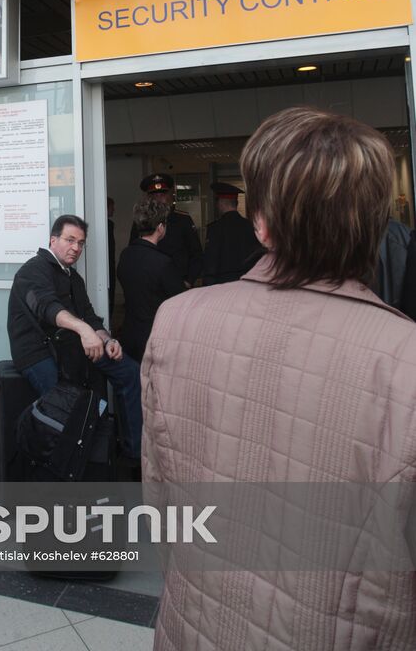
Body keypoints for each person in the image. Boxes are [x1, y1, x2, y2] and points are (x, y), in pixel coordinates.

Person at [143, 107, 416, 650]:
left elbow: (161, 502)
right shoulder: (403, 358)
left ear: (261, 224)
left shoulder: (177, 320)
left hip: (192, 624)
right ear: (375, 224)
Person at [7, 214, 142, 460]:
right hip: (39, 353)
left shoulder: (73, 278)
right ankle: (67, 475)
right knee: (70, 409)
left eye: (80, 243)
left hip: (72, 347)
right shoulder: (32, 270)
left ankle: (133, 454)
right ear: (53, 240)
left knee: (130, 372)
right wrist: (85, 331)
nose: (76, 248)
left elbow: (90, 317)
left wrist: (106, 339)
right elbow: (46, 308)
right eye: (70, 240)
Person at [116, 199, 186, 362]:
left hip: (129, 333)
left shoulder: (126, 255)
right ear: (160, 228)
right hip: (156, 337)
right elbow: (180, 300)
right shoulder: (163, 262)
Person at [130, 173, 203, 286]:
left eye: (162, 194)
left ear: (170, 195)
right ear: (149, 198)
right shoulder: (141, 220)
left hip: (178, 281)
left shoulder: (183, 220)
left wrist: (189, 281)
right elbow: (134, 251)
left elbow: (196, 254)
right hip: (150, 282)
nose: (159, 198)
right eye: (154, 195)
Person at [202, 180, 262, 285]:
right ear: (236, 203)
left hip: (222, 284)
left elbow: (211, 263)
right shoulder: (250, 226)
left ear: (220, 203)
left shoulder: (215, 229)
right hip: (248, 282)